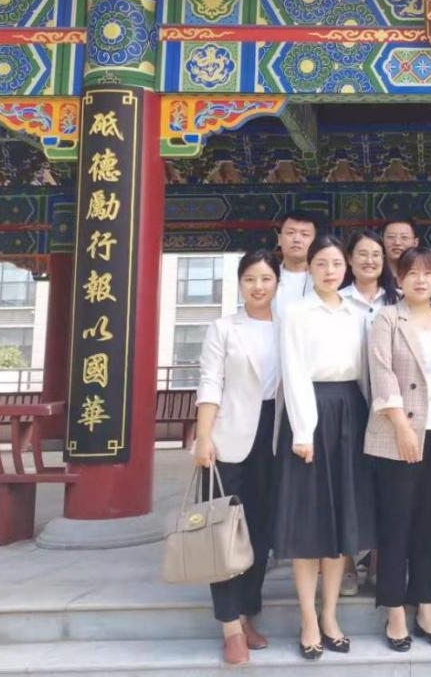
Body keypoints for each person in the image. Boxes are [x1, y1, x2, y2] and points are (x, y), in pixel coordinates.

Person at [275, 235, 374, 660]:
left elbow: (367, 373)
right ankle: (308, 619)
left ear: (346, 267)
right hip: (310, 412)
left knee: (341, 521)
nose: (330, 271)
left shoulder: (360, 312)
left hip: (351, 410)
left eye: (336, 264)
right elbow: (293, 371)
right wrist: (303, 431)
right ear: (310, 268)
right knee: (309, 522)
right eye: (321, 264)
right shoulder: (295, 312)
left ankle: (330, 614)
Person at [365, 247, 431, 652]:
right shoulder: (386, 318)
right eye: (412, 273)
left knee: (429, 527)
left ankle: (425, 609)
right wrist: (402, 427)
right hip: (397, 436)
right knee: (397, 526)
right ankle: (394, 613)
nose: (420, 280)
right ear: (399, 279)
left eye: (428, 273)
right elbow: (382, 373)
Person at [193, 249, 282, 666]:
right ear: (240, 283)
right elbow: (210, 382)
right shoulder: (223, 328)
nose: (258, 287)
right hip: (229, 437)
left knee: (260, 533)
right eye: (250, 279)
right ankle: (229, 626)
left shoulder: (289, 326)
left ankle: (247, 615)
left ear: (277, 282)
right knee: (223, 534)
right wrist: (203, 436)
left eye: (266, 279)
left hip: (275, 436)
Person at [339, 229, 400, 596]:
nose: (369, 260)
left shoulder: (398, 300)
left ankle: (378, 562)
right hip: (349, 400)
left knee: (384, 486)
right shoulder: (336, 300)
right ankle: (346, 563)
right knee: (346, 484)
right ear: (349, 260)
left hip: (388, 404)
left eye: (376, 254)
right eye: (362, 254)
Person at [273, 212, 318, 308]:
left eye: (305, 234)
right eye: (290, 233)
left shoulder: (323, 279)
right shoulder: (268, 277)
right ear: (279, 239)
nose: (297, 239)